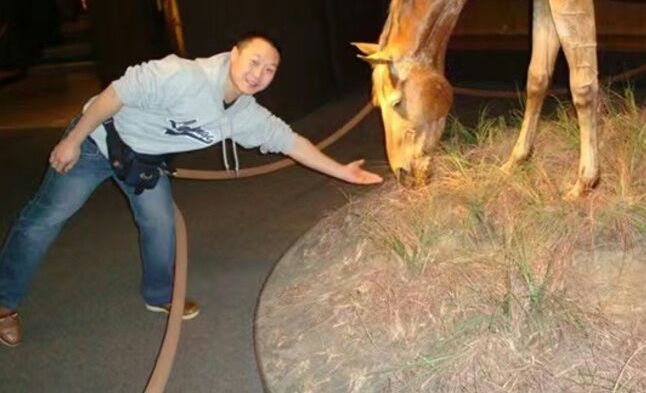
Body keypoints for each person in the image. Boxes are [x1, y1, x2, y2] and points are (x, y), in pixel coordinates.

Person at [0, 32, 382, 347]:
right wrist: (73, 140)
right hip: (96, 141)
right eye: (253, 62)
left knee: (160, 223)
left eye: (269, 70)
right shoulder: (181, 76)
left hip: (143, 163)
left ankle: (159, 294)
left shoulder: (243, 112)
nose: (258, 74)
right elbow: (114, 95)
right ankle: (3, 304)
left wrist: (341, 172)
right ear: (233, 54)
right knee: (45, 218)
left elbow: (289, 140)